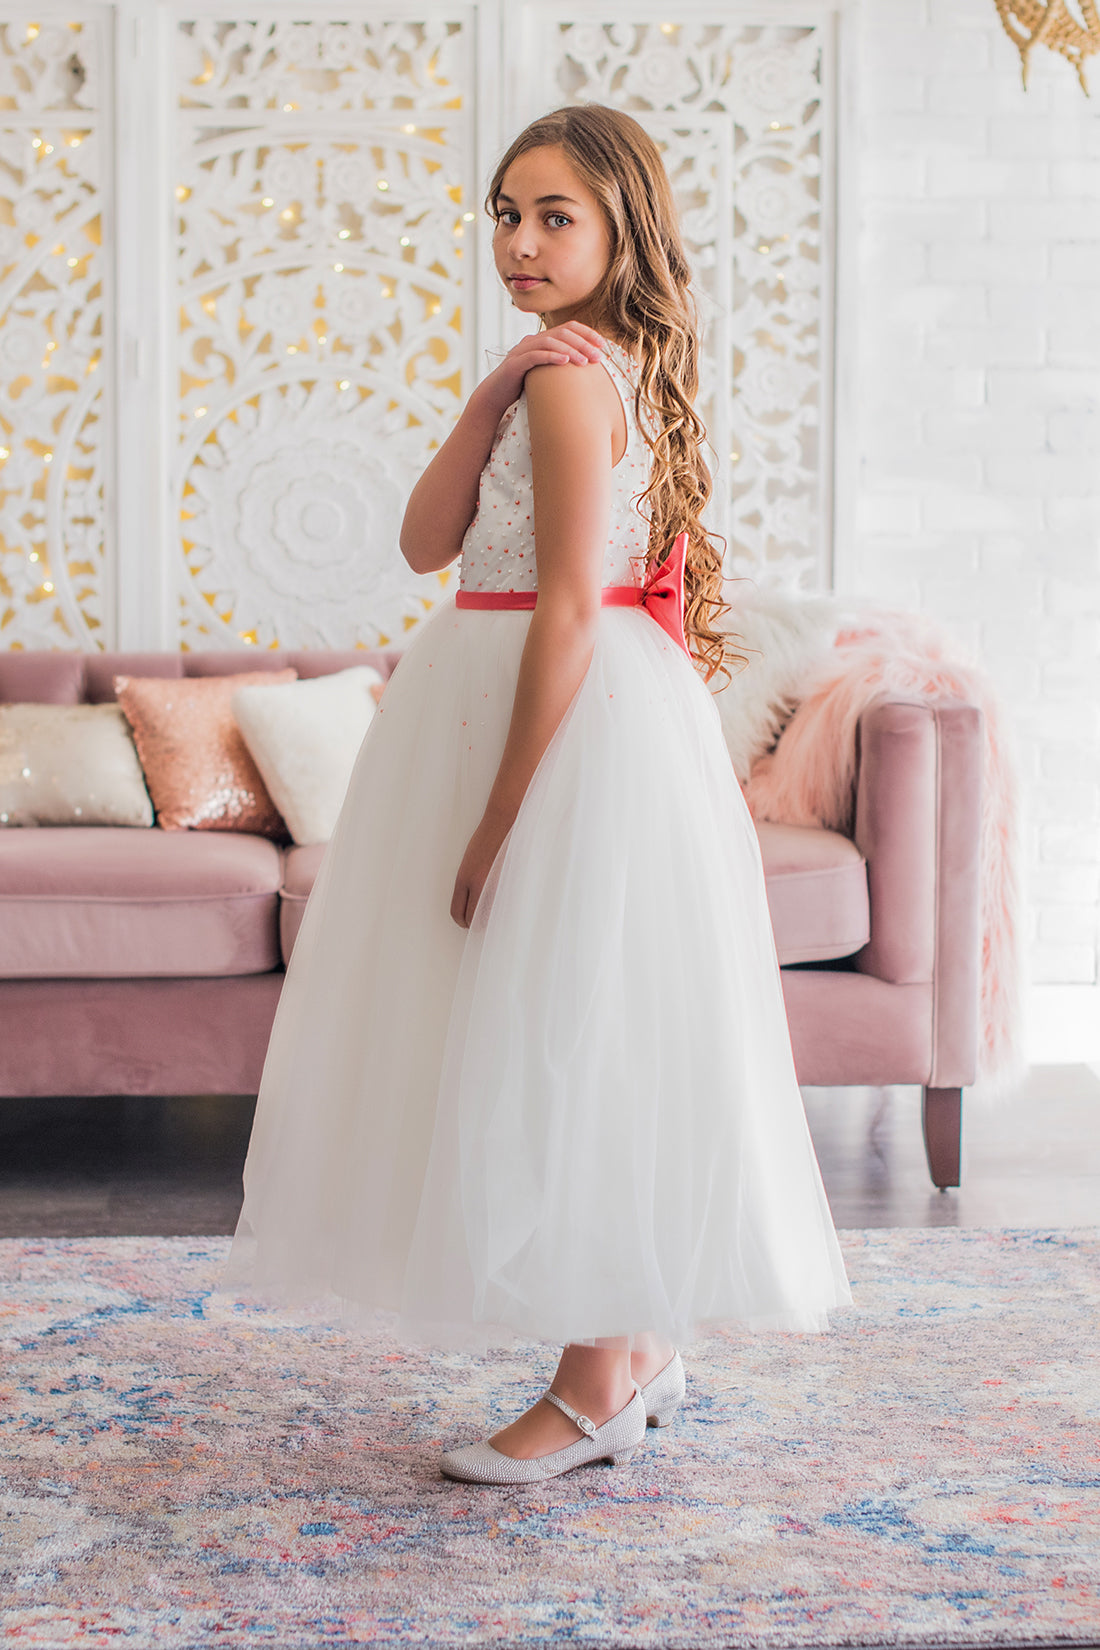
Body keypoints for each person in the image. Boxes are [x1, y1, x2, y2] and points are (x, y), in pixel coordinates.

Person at [220, 103, 852, 1487]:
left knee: (577, 1034)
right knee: (568, 1025)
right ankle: (631, 1346)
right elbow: (424, 540)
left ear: (622, 228)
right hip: (529, 683)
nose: (519, 239)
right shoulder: (552, 372)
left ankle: (594, 1379)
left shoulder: (584, 382)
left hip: (569, 721)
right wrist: (487, 387)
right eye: (505, 213)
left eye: (554, 215)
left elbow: (570, 603)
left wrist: (502, 817)